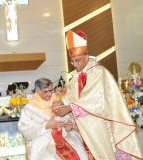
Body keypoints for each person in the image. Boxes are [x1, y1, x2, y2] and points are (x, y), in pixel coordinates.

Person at [52, 29, 143, 159]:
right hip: (85, 127)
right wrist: (60, 102)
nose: (75, 65)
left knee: (103, 155)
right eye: (73, 61)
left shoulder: (99, 72)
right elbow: (71, 94)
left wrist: (69, 108)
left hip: (100, 123)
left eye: (78, 60)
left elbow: (95, 100)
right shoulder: (77, 76)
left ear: (87, 57)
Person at [18, 78, 89, 160]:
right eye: (46, 91)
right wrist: (45, 126)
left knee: (79, 152)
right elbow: (25, 129)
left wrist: (69, 125)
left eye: (51, 90)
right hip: (44, 143)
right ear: (37, 91)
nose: (49, 94)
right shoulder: (29, 109)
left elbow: (69, 118)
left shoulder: (58, 102)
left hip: (65, 136)